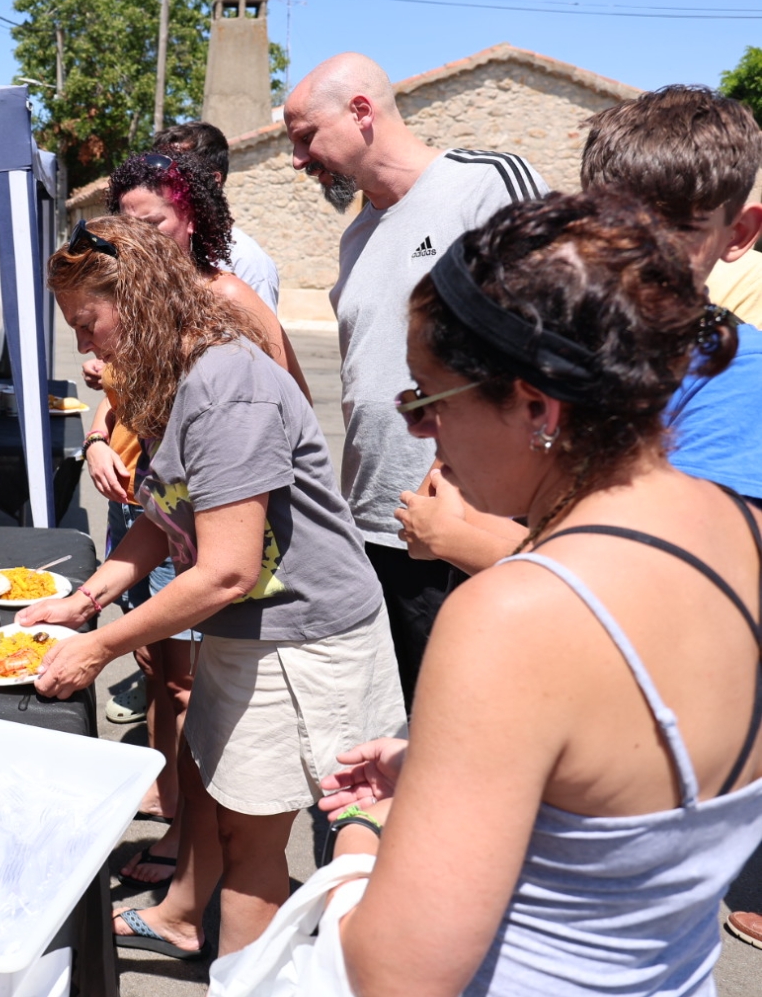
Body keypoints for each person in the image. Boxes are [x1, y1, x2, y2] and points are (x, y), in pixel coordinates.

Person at [314, 190, 762, 997]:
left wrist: (364, 833)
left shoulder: (515, 616)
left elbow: (393, 974)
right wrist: (441, 769)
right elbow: (627, 801)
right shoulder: (741, 529)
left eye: (425, 402)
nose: (421, 434)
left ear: (537, 407)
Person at [25, 216, 403, 960]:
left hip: (307, 643)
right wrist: (85, 598)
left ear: (135, 298)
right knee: (235, 829)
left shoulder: (226, 384)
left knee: (291, 849)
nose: (83, 345)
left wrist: (97, 648)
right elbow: (165, 517)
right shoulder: (172, 375)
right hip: (252, 634)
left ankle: (276, 971)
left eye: (87, 322)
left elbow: (225, 568)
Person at [396, 85, 762, 573]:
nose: (635, 251)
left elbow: (679, 575)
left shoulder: (738, 376)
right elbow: (441, 489)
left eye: (675, 229)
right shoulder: (552, 335)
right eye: (611, 222)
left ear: (737, 234)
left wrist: (459, 541)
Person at [282, 51, 547, 706]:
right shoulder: (357, 236)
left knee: (474, 714)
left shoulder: (485, 184)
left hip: (473, 524)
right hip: (379, 522)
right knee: (406, 714)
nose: (297, 159)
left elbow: (553, 336)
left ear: (362, 112)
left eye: (305, 137)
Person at [84, 150, 311, 891]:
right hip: (175, 521)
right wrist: (97, 434)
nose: (134, 242)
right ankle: (185, 850)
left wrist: (91, 642)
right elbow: (141, 422)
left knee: (206, 710)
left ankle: (189, 867)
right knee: (170, 679)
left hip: (240, 554)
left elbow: (285, 416)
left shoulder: (228, 303)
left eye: (149, 224)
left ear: (194, 215)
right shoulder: (149, 312)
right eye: (124, 229)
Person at [151, 120, 281, 309]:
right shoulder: (149, 246)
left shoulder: (245, 261)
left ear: (213, 181)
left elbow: (261, 338)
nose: (161, 179)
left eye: (177, 169)